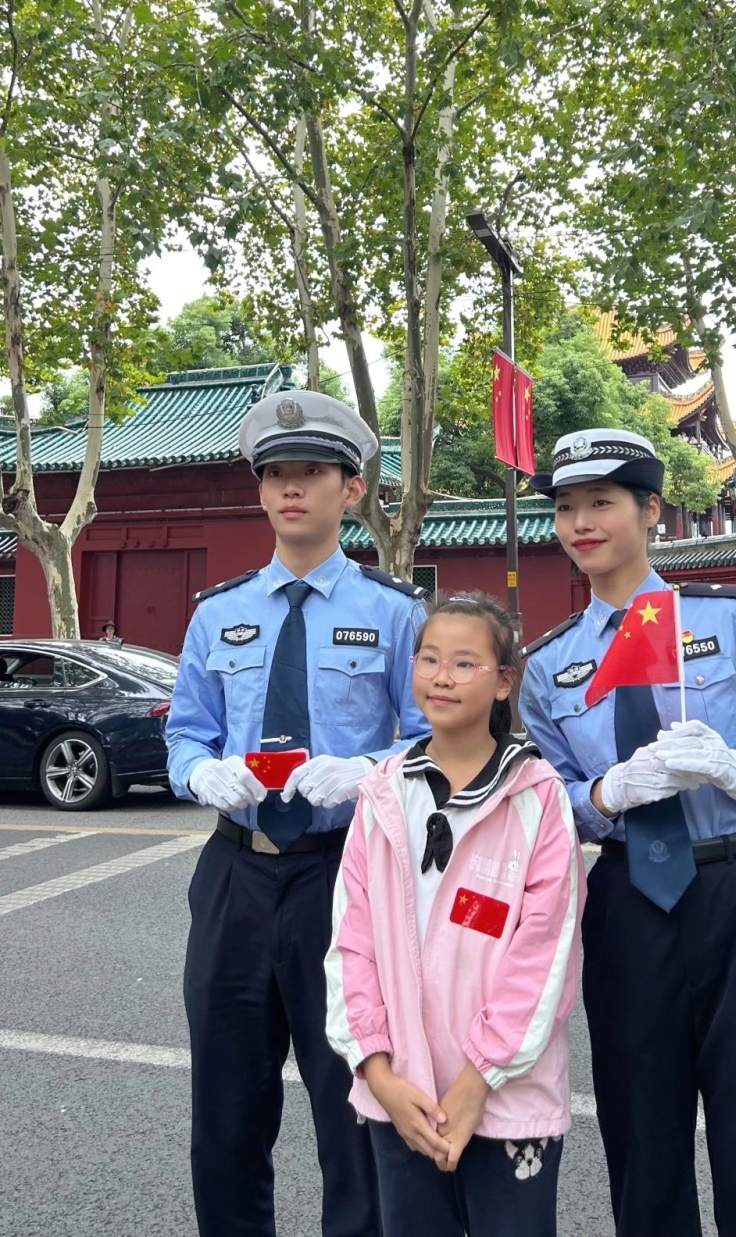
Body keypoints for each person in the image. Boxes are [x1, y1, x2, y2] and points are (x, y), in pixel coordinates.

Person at [518, 428, 736, 1237]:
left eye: (602, 502)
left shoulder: (726, 619)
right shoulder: (549, 666)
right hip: (628, 903)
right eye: (566, 508)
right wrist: (605, 794)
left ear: (651, 509)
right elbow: (548, 798)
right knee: (643, 1147)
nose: (582, 522)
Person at [166, 390, 430, 1237]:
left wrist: (371, 771)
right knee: (226, 1109)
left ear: (351, 489)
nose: (290, 488)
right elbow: (185, 732)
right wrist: (201, 771)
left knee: (351, 1104)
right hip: (235, 872)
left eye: (311, 471)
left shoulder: (394, 611)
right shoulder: (218, 612)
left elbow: (436, 739)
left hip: (344, 873)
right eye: (275, 473)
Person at [325, 592, 585, 1237]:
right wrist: (378, 1073)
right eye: (429, 659)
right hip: (401, 1099)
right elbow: (351, 943)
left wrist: (477, 1083)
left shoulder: (537, 797)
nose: (441, 677)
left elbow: (544, 959)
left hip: (506, 1100)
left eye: (465, 663)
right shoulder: (382, 793)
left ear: (504, 681)